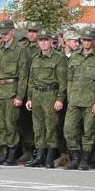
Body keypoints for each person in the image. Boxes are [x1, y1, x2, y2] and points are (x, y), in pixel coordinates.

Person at [0, 19, 29, 165]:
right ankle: (3, 152)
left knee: (10, 123)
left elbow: (23, 76)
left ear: (12, 32)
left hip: (11, 91)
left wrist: (20, 96)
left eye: (6, 33)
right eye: (1, 33)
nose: (3, 36)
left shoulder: (20, 50)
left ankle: (11, 153)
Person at [25, 31, 67, 169]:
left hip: (51, 94)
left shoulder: (58, 58)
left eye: (45, 40)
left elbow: (63, 81)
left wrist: (60, 99)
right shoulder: (35, 58)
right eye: (40, 40)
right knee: (38, 127)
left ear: (51, 42)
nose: (43, 43)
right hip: (37, 94)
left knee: (51, 126)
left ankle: (50, 156)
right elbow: (31, 80)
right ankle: (39, 155)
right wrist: (30, 98)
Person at [63, 32, 95, 171]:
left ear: (93, 41)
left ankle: (85, 159)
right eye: (84, 40)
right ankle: (75, 157)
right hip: (74, 100)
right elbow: (70, 78)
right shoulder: (75, 56)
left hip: (90, 101)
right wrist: (69, 96)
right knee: (69, 129)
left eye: (89, 40)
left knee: (88, 132)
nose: (86, 43)